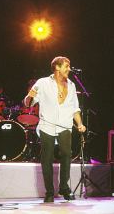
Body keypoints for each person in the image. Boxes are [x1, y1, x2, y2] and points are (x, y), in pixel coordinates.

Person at [23, 56, 86, 203]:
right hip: (47, 124)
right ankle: (49, 192)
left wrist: (80, 124)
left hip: (65, 124)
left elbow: (74, 108)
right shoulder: (43, 83)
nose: (69, 69)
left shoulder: (71, 85)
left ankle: (64, 187)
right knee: (47, 157)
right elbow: (28, 103)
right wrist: (29, 97)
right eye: (66, 66)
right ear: (57, 67)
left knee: (66, 154)